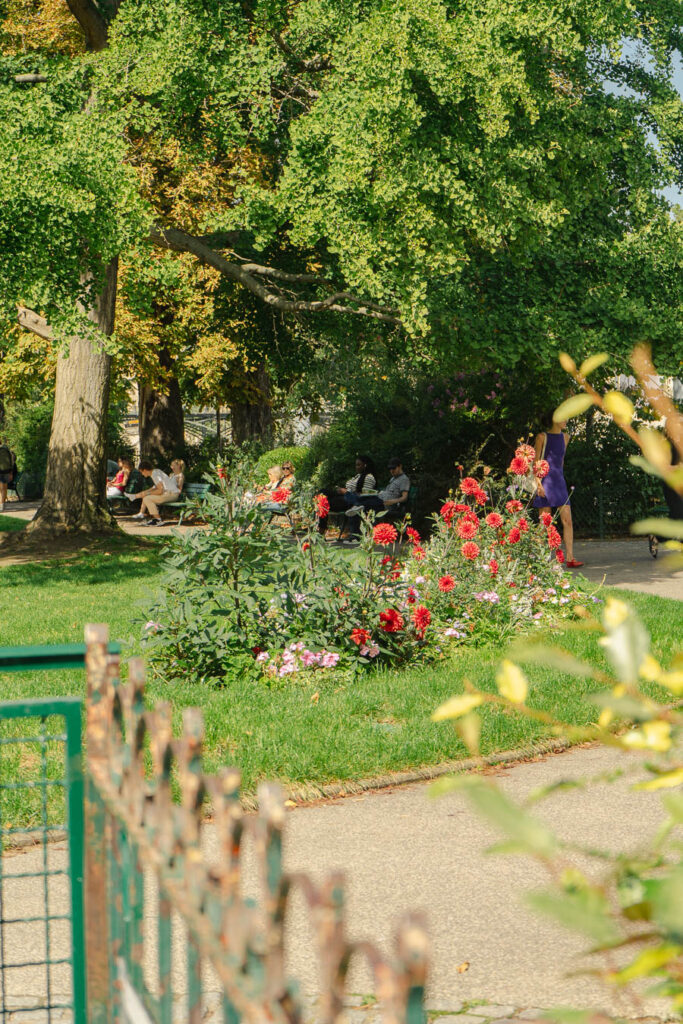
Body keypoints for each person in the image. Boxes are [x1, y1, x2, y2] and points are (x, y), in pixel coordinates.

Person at [532, 413, 583, 568]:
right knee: (544, 524)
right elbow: (536, 463)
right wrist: (539, 485)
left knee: (567, 520)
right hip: (545, 483)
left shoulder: (565, 437)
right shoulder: (542, 437)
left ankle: (570, 558)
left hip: (559, 482)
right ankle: (541, 559)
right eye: (563, 418)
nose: (566, 420)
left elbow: (560, 462)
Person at [342, 457, 410, 541]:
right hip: (379, 499)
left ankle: (355, 534)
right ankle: (356, 505)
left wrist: (391, 501)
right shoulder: (393, 478)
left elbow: (404, 498)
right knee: (358, 498)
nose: (391, 471)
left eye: (394, 468)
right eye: (390, 469)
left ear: (400, 466)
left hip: (386, 505)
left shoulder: (404, 479)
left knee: (355, 503)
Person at [317, 455, 377, 535]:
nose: (356, 467)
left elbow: (365, 495)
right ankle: (322, 527)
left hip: (351, 501)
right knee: (322, 493)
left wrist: (346, 492)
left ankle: (322, 529)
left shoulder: (369, 477)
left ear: (365, 465)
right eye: (356, 465)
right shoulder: (358, 476)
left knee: (323, 504)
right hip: (344, 496)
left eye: (359, 465)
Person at [132, 459, 182, 526]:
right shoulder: (156, 471)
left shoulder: (154, 474)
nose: (142, 474)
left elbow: (160, 490)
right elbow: (157, 488)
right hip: (171, 494)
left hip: (171, 494)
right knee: (147, 498)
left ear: (145, 470)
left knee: (147, 498)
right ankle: (155, 519)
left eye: (142, 472)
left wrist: (148, 494)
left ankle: (158, 520)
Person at [0, 440, 16, 512]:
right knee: (4, 488)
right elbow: (12, 461)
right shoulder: (6, 449)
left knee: (1, 489)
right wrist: (11, 472)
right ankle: (2, 505)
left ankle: (1, 504)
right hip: (7, 471)